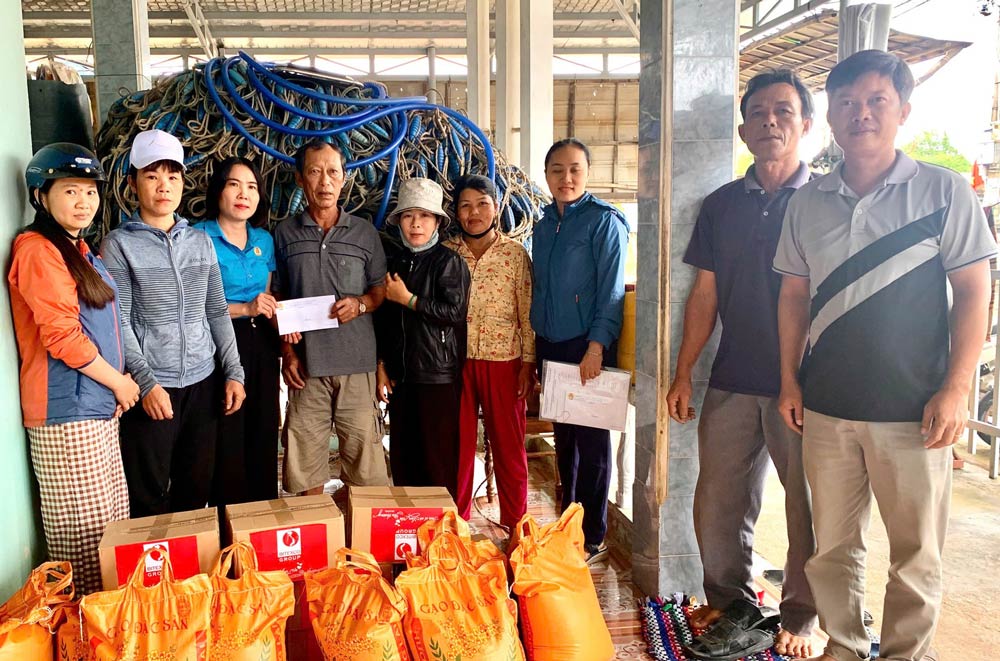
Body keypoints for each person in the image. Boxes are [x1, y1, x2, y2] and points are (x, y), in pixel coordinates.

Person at [774, 50, 995, 661]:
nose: (861, 114)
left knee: (916, 554)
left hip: (915, 411)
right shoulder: (808, 202)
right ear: (831, 117)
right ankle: (844, 649)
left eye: (876, 101)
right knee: (833, 550)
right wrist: (790, 380)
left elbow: (976, 291)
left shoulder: (943, 192)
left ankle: (905, 655)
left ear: (903, 110)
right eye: (846, 103)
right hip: (826, 406)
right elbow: (793, 296)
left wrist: (956, 389)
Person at [666, 70, 818, 659]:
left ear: (806, 124)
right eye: (759, 112)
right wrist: (684, 372)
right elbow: (704, 294)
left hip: (806, 385)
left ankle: (802, 615)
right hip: (732, 378)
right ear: (743, 128)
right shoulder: (723, 205)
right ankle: (732, 602)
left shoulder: (826, 201)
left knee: (806, 503)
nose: (771, 121)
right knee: (717, 503)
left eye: (784, 110)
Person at [8, 144, 139, 595]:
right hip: (66, 415)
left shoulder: (77, 249)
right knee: (83, 547)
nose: (83, 202)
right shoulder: (38, 251)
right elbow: (62, 337)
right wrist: (120, 383)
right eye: (70, 191)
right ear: (41, 196)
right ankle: (83, 637)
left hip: (94, 407)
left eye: (89, 191)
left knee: (110, 530)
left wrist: (114, 393)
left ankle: (111, 630)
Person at [101, 129, 246, 517]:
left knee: (195, 488)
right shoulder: (118, 245)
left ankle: (187, 575)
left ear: (183, 183)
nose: (163, 186)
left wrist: (234, 372)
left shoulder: (199, 242)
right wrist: (146, 384)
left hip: (203, 383)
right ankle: (152, 574)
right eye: (151, 175)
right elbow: (121, 322)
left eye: (172, 176)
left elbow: (215, 311)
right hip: (153, 388)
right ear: (133, 183)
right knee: (147, 493)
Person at [530, 137, 629, 563]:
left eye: (574, 169)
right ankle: (567, 524)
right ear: (547, 174)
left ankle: (593, 536)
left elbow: (610, 291)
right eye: (557, 169)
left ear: (587, 173)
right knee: (565, 437)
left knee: (592, 442)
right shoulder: (543, 222)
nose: (565, 178)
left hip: (585, 343)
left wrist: (596, 346)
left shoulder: (604, 221)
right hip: (550, 343)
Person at [273, 139, 390, 495]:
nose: (324, 181)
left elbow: (380, 289)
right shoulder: (284, 233)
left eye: (332, 172)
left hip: (357, 365)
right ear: (299, 179)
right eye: (314, 171)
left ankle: (361, 542)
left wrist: (361, 304)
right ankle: (316, 539)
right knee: (306, 466)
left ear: (343, 179)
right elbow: (276, 295)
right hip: (306, 370)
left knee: (365, 466)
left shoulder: (365, 233)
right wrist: (288, 352)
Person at [444, 174, 533, 529]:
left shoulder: (514, 254)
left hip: (505, 363)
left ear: (496, 208)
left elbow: (527, 312)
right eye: (465, 205)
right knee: (459, 451)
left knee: (510, 450)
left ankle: (517, 529)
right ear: (456, 213)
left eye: (482, 203)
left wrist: (528, 363)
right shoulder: (448, 254)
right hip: (456, 364)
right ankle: (457, 529)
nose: (474, 212)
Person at [375, 178, 470, 498]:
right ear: (399, 221)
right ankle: (409, 530)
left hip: (437, 377)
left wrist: (409, 299)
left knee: (438, 459)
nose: (416, 223)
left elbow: (454, 312)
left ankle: (444, 534)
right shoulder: (396, 262)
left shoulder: (449, 262)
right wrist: (381, 365)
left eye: (425, 216)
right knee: (404, 457)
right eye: (408, 215)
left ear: (438, 222)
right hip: (403, 377)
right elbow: (386, 320)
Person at [199, 157, 280, 504]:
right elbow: (193, 304)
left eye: (251, 187)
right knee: (227, 433)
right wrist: (245, 308)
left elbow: (270, 293)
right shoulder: (198, 236)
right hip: (219, 342)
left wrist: (283, 323)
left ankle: (261, 524)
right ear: (218, 191)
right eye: (234, 184)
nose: (243, 194)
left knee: (263, 431)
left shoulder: (264, 239)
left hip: (261, 341)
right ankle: (227, 529)